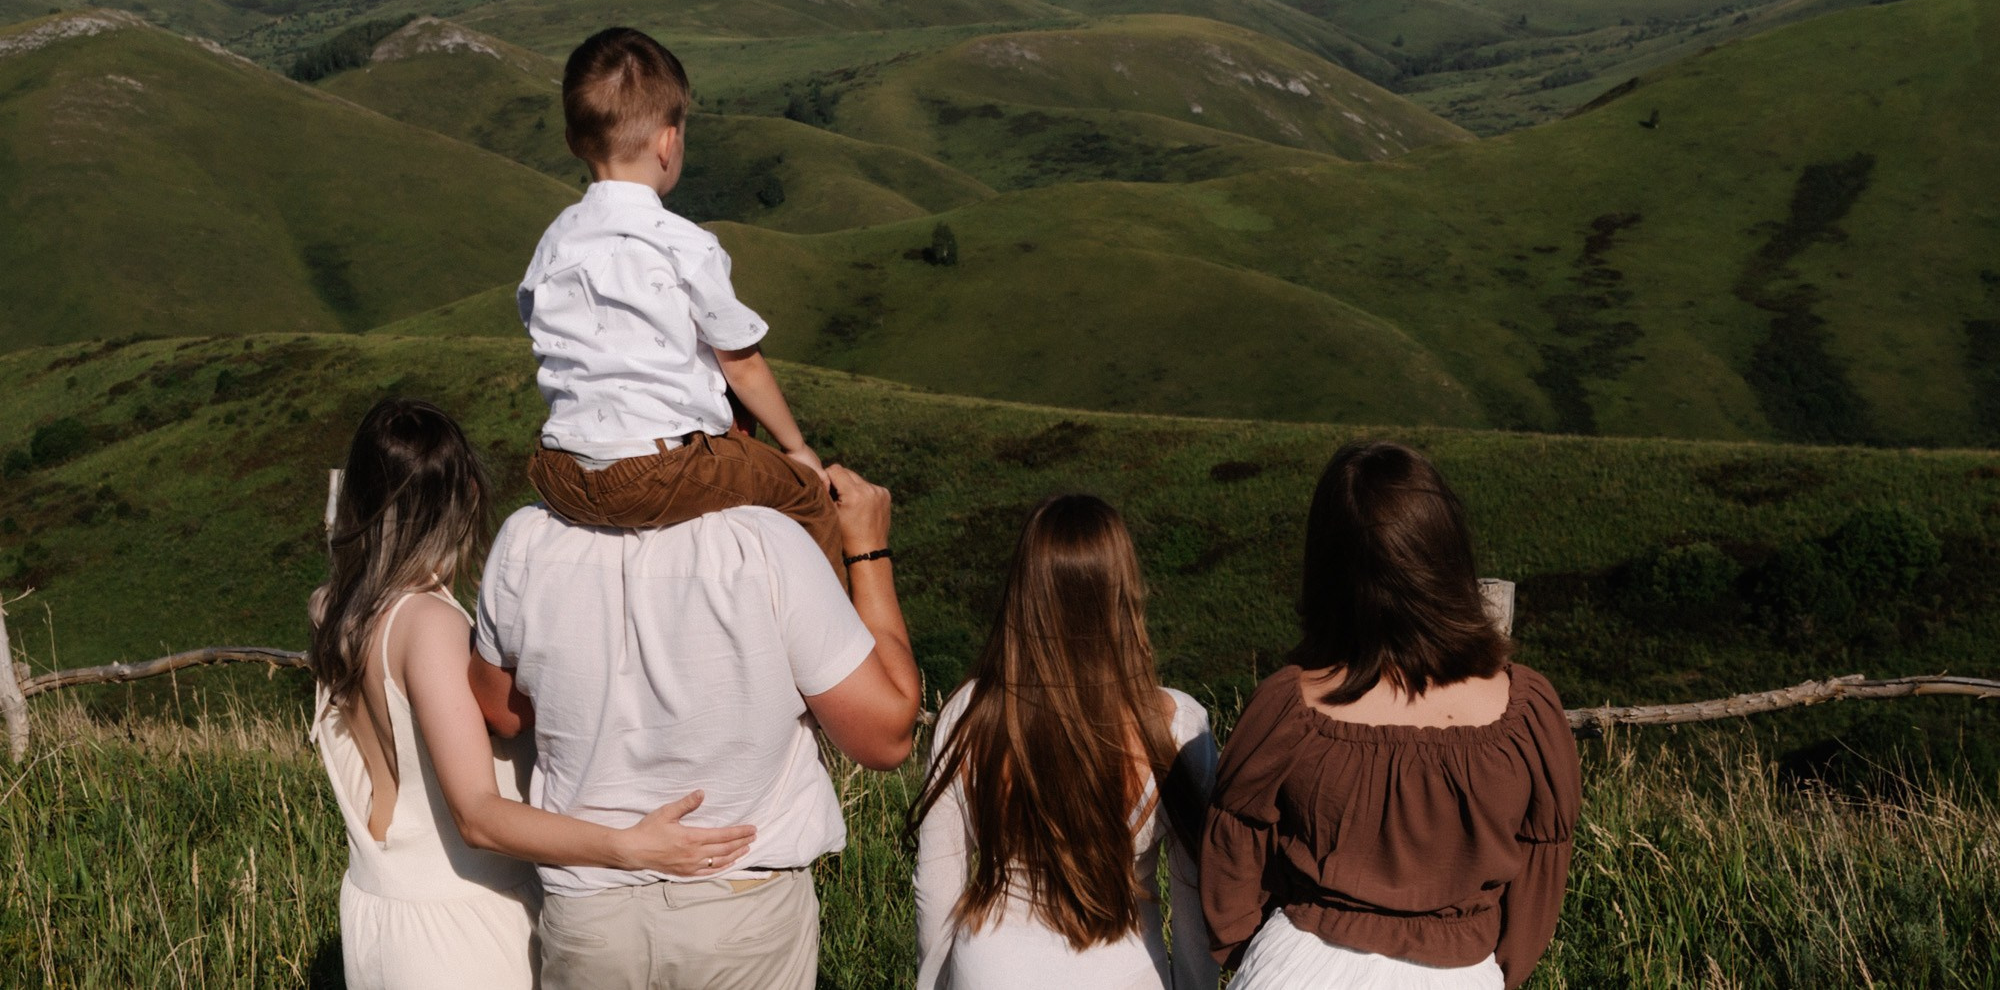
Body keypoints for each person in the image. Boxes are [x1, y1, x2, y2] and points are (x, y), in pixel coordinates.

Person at [308, 398, 755, 990]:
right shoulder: (428, 626)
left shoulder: (333, 610)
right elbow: (477, 815)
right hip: (459, 921)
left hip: (377, 906)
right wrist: (630, 847)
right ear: (466, 496)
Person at [469, 462, 922, 990]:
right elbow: (886, 738)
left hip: (592, 912)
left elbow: (501, 712)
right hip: (740, 908)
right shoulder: (765, 540)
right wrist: (868, 550)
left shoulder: (527, 537)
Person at [1201, 442, 1580, 990]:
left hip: (1295, 966)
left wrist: (1252, 950)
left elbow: (1231, 854)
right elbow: (1538, 881)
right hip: (1458, 974)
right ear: (1446, 556)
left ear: (1328, 568)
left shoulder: (1287, 708)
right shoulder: (1527, 716)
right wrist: (1492, 972)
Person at [518, 26, 840, 576]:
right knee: (807, 497)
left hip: (561, 472)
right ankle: (836, 626)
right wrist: (796, 448)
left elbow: (540, 329)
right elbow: (742, 365)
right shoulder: (686, 245)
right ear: (669, 143)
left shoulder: (554, 242)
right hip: (658, 469)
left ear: (573, 141)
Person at [910, 494, 1218, 990]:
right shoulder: (1176, 725)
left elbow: (936, 891)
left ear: (1023, 592)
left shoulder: (968, 714)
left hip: (991, 970)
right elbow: (1194, 904)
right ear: (1124, 592)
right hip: (1124, 972)